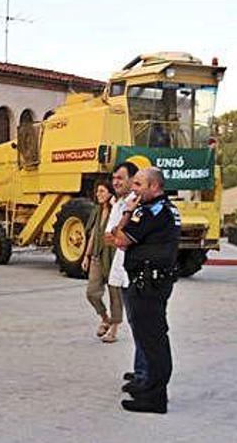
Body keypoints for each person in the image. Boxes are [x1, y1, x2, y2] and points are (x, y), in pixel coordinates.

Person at [110, 167, 181, 414]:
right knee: (149, 338)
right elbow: (115, 236)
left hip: (149, 284)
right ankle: (148, 384)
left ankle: (155, 397)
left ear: (154, 187)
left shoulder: (152, 211)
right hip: (149, 281)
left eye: (138, 184)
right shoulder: (159, 208)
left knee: (153, 341)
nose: (133, 188)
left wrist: (127, 212)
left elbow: (118, 239)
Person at [103, 162, 146, 386]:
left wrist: (118, 234)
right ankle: (140, 370)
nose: (116, 182)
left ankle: (144, 376)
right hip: (122, 269)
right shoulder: (119, 204)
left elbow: (121, 236)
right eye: (114, 178)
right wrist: (117, 234)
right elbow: (109, 236)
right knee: (136, 324)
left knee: (142, 326)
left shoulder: (136, 206)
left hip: (135, 273)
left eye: (121, 178)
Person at [81, 180, 123, 343]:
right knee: (92, 292)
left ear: (111, 193)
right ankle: (105, 318)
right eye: (97, 191)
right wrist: (86, 255)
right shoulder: (97, 211)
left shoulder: (117, 210)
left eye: (102, 191)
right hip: (98, 255)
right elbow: (93, 235)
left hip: (113, 256)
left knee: (115, 294)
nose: (98, 194)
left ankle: (114, 329)